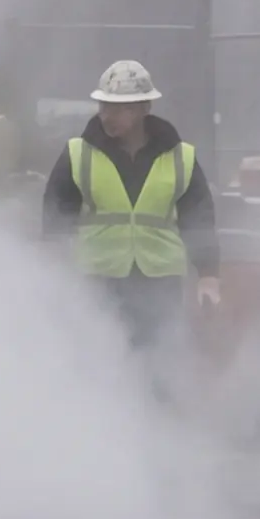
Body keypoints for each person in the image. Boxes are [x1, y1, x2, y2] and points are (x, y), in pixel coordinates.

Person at [46, 59, 221, 356]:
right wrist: (51, 271)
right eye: (104, 107)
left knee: (159, 359)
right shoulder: (79, 154)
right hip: (99, 279)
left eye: (120, 108)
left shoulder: (180, 157)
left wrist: (208, 275)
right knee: (99, 358)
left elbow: (199, 220)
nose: (107, 116)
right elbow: (55, 216)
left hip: (159, 282)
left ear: (144, 109)